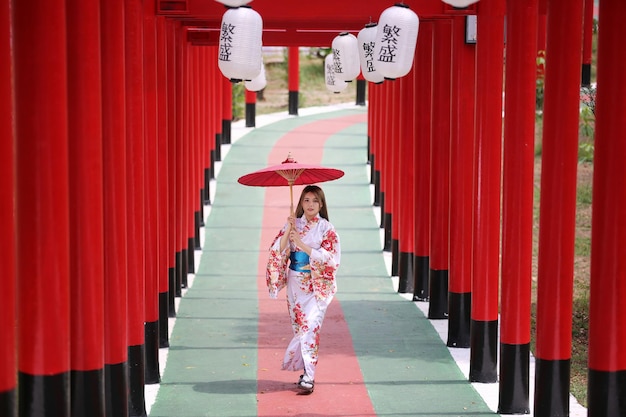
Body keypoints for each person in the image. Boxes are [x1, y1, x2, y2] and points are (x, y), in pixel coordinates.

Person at [266, 185, 341, 394]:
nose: (310, 205)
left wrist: (303, 245)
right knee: (301, 327)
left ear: (321, 204)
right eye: (306, 200)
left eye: (315, 201)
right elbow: (277, 251)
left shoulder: (327, 229)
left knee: (310, 327)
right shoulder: (294, 223)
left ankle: (309, 376)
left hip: (316, 285)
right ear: (301, 203)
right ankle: (306, 370)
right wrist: (289, 230)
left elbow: (331, 259)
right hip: (295, 283)